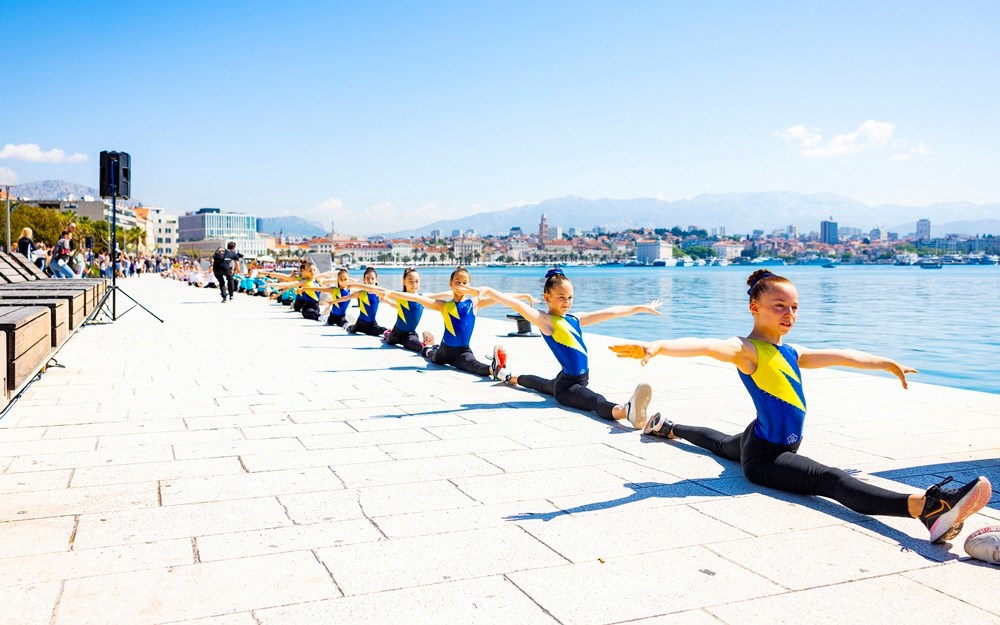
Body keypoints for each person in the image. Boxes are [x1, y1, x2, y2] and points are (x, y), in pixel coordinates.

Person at [609, 269, 993, 544]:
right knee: (830, 480)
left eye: (794, 307)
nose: (789, 315)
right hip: (766, 458)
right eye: (779, 306)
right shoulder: (745, 350)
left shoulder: (792, 351)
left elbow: (842, 355)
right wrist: (656, 346)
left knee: (719, 443)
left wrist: (885, 363)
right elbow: (707, 344)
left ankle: (667, 427)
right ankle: (927, 508)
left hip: (755, 436)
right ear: (755, 308)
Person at [464, 267, 660, 428]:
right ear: (547, 297)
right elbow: (517, 305)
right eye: (561, 297)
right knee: (593, 400)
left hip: (568, 378)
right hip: (569, 387)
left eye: (570, 298)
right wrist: (490, 292)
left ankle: (508, 376)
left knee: (541, 384)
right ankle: (626, 410)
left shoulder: (575, 319)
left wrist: (640, 307)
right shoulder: (546, 321)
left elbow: (611, 311)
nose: (566, 302)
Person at [384, 266, 530, 380]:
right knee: (431, 355)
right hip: (443, 350)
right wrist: (390, 293)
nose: (460, 285)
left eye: (464, 283)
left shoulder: (474, 303)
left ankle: (495, 369)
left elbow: (501, 298)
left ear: (470, 285)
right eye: (457, 282)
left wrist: (524, 295)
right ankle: (428, 346)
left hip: (462, 352)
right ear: (451, 284)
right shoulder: (443, 305)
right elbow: (416, 298)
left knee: (474, 366)